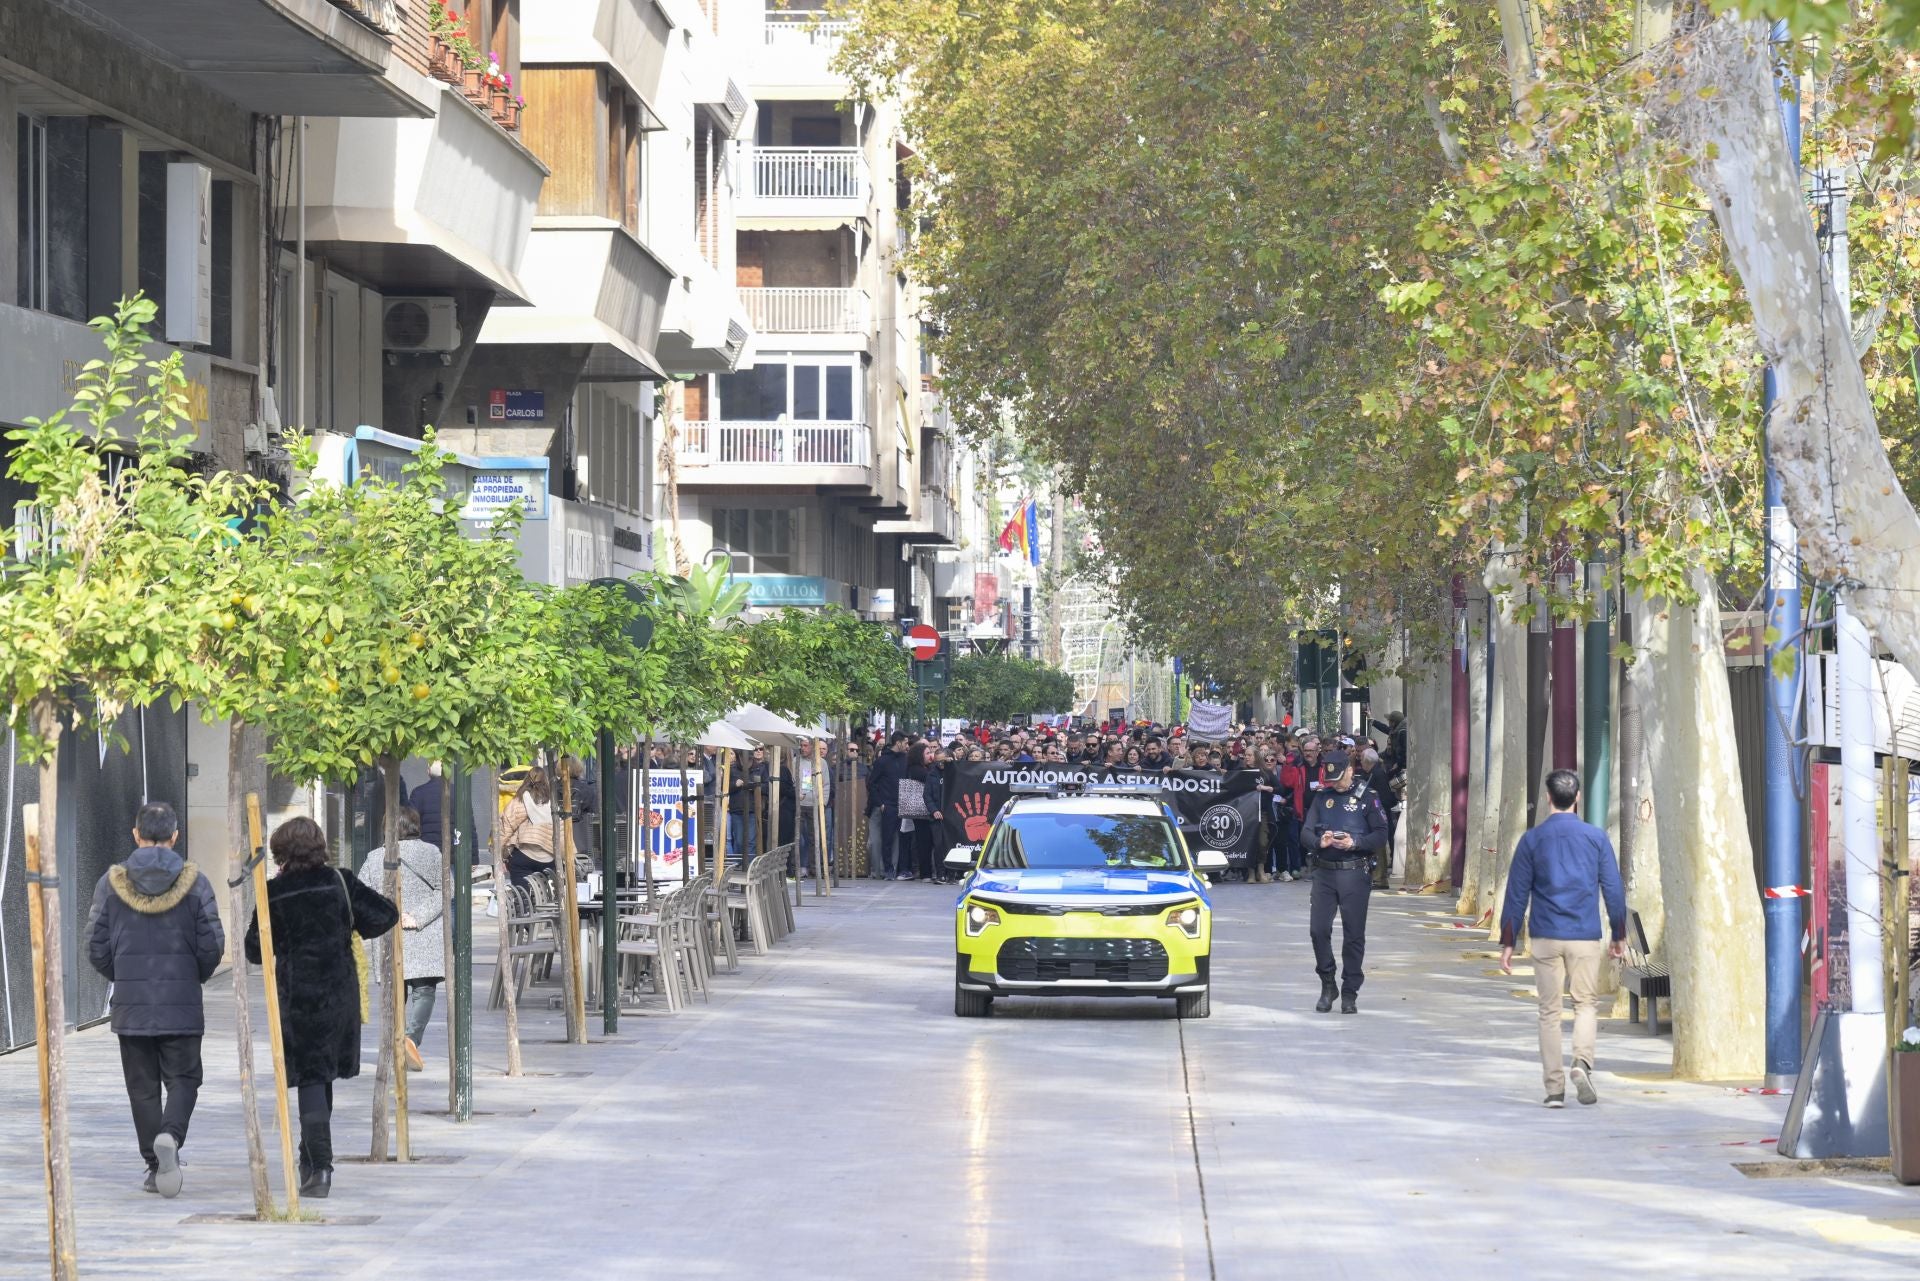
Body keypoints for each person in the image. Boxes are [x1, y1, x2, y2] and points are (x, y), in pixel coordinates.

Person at [246, 816, 399, 1199]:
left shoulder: (273, 893)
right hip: (340, 994)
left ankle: (321, 1166)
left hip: (298, 997)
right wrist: (347, 927)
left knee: (311, 1078)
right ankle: (309, 1156)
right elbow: (385, 915)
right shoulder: (341, 882)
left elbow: (253, 950)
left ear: (282, 852)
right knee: (322, 1076)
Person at [85, 801, 224, 1198]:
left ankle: (154, 1164)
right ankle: (170, 1136)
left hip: (131, 1005)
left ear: (136, 834)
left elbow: (95, 946)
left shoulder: (110, 883)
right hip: (180, 1001)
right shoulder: (195, 882)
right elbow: (212, 944)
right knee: (184, 1079)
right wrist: (191, 976)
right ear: (175, 836)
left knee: (142, 1088)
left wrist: (124, 975)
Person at [1500, 770, 1629, 1108]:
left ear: (1547, 797)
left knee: (1549, 1012)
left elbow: (1516, 894)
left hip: (1545, 936)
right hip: (1584, 935)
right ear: (1578, 797)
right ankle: (1582, 1063)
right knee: (1586, 1005)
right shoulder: (1596, 838)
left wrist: (1508, 941)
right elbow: (1613, 890)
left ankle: (1554, 1090)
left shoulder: (1532, 840)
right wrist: (1619, 933)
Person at [357, 807, 444, 1073]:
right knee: (424, 990)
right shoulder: (433, 852)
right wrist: (417, 917)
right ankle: (409, 1039)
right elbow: (445, 889)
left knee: (395, 993)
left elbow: (361, 895)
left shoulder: (375, 857)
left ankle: (396, 1043)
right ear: (415, 826)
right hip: (423, 933)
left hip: (388, 933)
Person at [1300, 749, 1388, 1014]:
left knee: (1353, 935)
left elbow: (1381, 834)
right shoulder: (1322, 798)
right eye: (1331, 780)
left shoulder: (1367, 799)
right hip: (1324, 872)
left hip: (1354, 872)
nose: (1335, 784)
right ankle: (1328, 983)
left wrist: (1356, 843)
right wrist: (1319, 842)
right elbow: (1305, 832)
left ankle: (1350, 990)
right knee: (1318, 930)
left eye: (1339, 778)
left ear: (1350, 770)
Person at [498, 766, 560, 889]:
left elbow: (505, 828)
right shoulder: (553, 802)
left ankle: (525, 904)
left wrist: (500, 856)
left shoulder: (519, 800)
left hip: (523, 855)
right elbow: (562, 831)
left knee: (523, 894)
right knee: (546, 896)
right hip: (549, 858)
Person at [866, 731, 907, 879]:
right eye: (906, 743)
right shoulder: (883, 761)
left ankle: (895, 869)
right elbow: (872, 783)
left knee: (898, 838)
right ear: (899, 742)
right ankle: (887, 869)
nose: (907, 746)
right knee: (887, 838)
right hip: (887, 804)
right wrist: (880, 803)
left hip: (901, 803)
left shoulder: (905, 760)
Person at [795, 743, 832, 877]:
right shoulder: (796, 761)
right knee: (799, 837)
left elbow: (826, 784)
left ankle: (814, 867)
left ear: (812, 746)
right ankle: (799, 866)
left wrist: (823, 803)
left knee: (814, 838)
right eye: (801, 746)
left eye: (805, 746)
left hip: (815, 804)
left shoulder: (821, 763)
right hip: (800, 804)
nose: (802, 748)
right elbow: (793, 781)